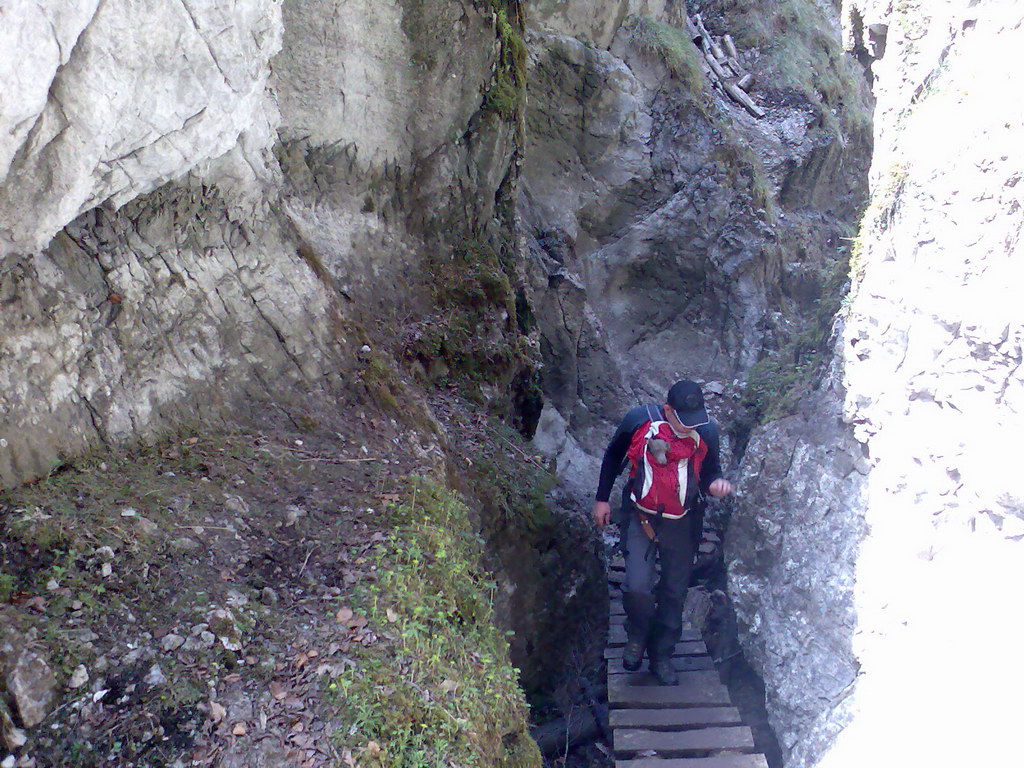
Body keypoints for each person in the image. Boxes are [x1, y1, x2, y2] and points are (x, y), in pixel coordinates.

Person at [592, 380, 733, 685]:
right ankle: (636, 637)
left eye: (695, 419)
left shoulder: (706, 431)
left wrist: (716, 485)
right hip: (640, 515)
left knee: (674, 590)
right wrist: (602, 499)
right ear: (669, 410)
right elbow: (613, 456)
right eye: (684, 420)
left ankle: (662, 655)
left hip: (684, 520)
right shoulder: (638, 420)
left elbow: (710, 472)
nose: (690, 427)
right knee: (637, 586)